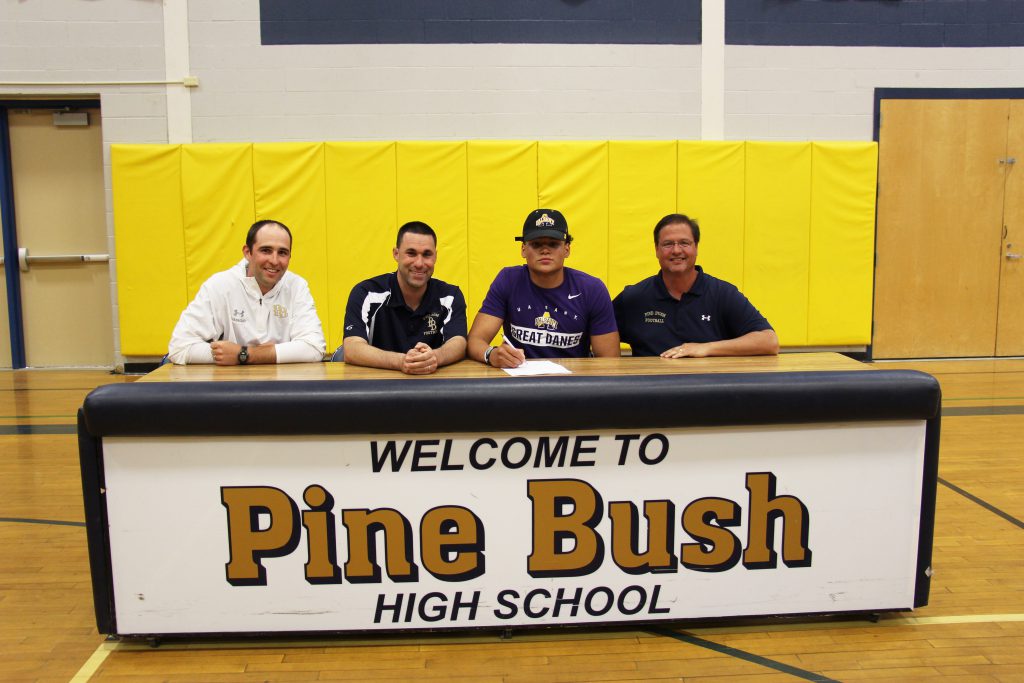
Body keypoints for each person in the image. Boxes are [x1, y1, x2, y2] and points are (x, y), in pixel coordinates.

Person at [468, 208, 619, 368]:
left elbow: (609, 360)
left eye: (553, 244)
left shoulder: (592, 289)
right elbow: (475, 341)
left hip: (573, 385)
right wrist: (491, 354)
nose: (545, 250)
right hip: (518, 382)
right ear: (523, 249)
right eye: (536, 244)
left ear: (567, 249)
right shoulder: (508, 280)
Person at [613, 213, 778, 358]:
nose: (676, 250)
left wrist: (705, 348)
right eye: (668, 244)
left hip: (708, 390)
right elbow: (599, 335)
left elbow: (769, 341)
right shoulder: (633, 298)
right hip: (648, 390)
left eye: (684, 243)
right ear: (656, 250)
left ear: (696, 247)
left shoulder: (722, 294)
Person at [167, 219, 327, 365]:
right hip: (230, 387)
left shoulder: (297, 286)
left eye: (282, 252)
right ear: (247, 252)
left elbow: (315, 348)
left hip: (281, 388)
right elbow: (179, 347)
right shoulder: (220, 285)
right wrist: (232, 355)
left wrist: (243, 354)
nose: (274, 260)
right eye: (266, 250)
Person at [340, 221, 467, 374]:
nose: (419, 263)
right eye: (411, 253)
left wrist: (434, 357)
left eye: (427, 254)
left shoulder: (450, 296)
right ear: (396, 254)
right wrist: (401, 361)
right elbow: (352, 348)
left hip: (431, 386)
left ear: (435, 256)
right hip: (377, 388)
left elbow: (458, 342)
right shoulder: (366, 293)